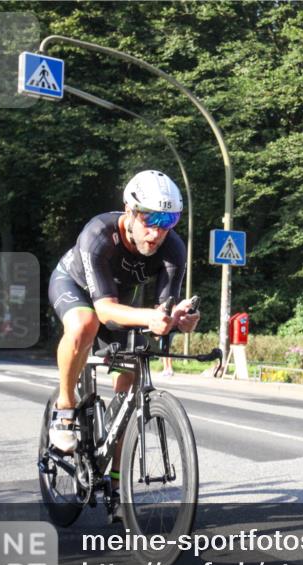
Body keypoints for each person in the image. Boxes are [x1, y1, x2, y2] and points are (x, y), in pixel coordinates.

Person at [47, 170, 200, 459]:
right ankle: (64, 407)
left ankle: (117, 486)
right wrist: (150, 318)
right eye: (149, 220)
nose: (156, 233)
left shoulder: (173, 249)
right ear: (129, 211)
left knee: (129, 383)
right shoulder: (99, 234)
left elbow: (161, 312)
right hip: (74, 285)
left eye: (168, 222)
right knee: (85, 323)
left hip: (118, 298)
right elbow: (104, 310)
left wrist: (177, 319)